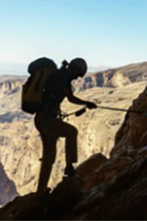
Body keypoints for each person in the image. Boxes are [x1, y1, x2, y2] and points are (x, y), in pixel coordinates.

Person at [35, 57, 97, 194]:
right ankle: (69, 166)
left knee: (49, 156)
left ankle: (40, 190)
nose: (76, 78)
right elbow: (71, 98)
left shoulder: (58, 74)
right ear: (74, 69)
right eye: (77, 74)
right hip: (46, 120)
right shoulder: (63, 77)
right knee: (71, 132)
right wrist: (87, 103)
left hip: (42, 118)